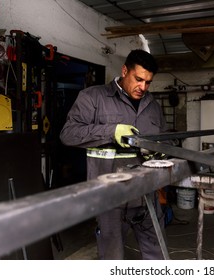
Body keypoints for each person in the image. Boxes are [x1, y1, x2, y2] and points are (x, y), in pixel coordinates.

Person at [60, 49, 168, 260]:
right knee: (112, 257)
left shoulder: (152, 105)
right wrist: (111, 131)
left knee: (157, 253)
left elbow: (165, 138)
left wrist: (159, 151)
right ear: (125, 70)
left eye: (148, 82)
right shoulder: (93, 97)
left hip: (147, 194)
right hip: (110, 195)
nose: (143, 87)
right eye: (138, 79)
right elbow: (68, 134)